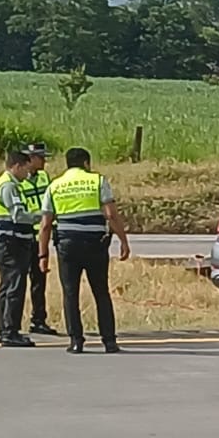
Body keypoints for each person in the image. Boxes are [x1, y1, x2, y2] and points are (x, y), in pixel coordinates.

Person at [38, 147, 131, 354]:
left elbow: (45, 225)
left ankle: (76, 341)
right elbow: (111, 214)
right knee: (101, 292)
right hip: (95, 244)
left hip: (67, 245)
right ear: (87, 164)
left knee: (70, 293)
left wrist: (42, 255)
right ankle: (109, 341)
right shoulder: (97, 181)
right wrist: (123, 241)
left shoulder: (55, 186)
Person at [0, 150, 39, 348]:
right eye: (26, 169)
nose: (28, 174)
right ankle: (10, 331)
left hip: (8, 241)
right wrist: (41, 216)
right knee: (14, 285)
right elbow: (18, 215)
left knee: (8, 284)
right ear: (17, 166)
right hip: (12, 242)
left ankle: (5, 328)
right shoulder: (9, 186)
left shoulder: (5, 183)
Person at [18, 142, 60, 336]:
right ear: (30, 159)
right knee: (19, 281)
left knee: (39, 280)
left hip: (40, 235)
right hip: (26, 234)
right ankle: (13, 323)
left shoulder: (44, 177)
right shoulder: (18, 179)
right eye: (40, 157)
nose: (44, 161)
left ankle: (38, 319)